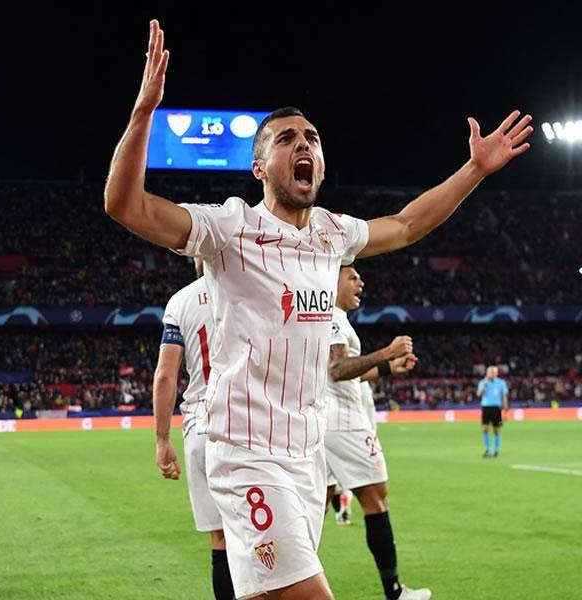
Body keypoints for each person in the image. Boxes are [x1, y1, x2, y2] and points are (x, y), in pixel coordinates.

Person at [103, 20, 531, 599]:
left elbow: (405, 225)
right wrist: (143, 113)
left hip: (307, 458)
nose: (304, 144)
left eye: (312, 138)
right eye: (285, 139)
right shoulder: (231, 229)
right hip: (246, 455)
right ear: (258, 168)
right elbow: (125, 204)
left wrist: (475, 170)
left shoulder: (332, 235)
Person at [325, 265, 427, 599]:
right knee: (377, 500)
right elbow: (337, 370)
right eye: (352, 277)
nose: (360, 283)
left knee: (316, 506)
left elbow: (339, 372)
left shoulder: (323, 316)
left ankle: (283, 585)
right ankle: (395, 591)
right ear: (333, 280)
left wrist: (386, 367)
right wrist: (386, 352)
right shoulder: (334, 318)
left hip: (322, 422)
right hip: (345, 422)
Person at [154, 257, 234, 600]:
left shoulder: (180, 301)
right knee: (259, 535)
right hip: (244, 419)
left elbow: (165, 375)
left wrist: (161, 439)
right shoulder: (248, 289)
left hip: (199, 425)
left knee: (220, 539)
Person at [477, 366, 508, 457]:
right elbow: (478, 394)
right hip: (486, 407)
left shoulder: (501, 383)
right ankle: (487, 449)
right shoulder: (483, 382)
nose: (491, 374)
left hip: (496, 408)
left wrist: (505, 407)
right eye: (489, 372)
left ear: (496, 373)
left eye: (493, 372)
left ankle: (496, 450)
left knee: (496, 430)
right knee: (485, 429)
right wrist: (485, 384)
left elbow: (504, 395)